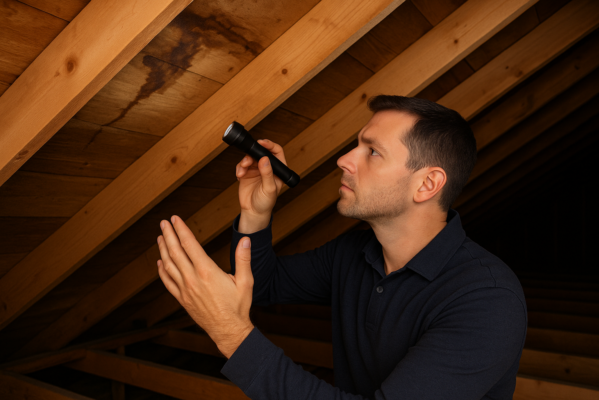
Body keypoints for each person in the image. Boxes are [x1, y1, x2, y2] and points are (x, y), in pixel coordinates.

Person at [156, 95, 527, 399]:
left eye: (372, 152)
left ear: (427, 184)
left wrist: (231, 334)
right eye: (356, 146)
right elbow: (263, 285)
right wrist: (255, 213)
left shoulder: (488, 301)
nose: (344, 160)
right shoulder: (355, 251)